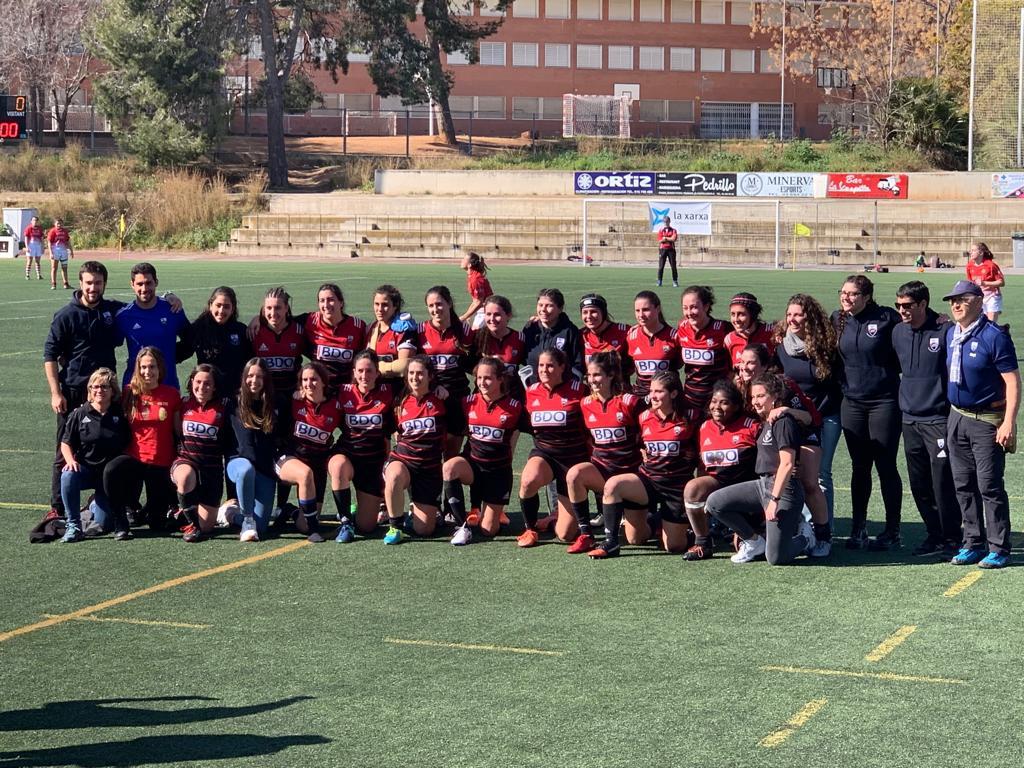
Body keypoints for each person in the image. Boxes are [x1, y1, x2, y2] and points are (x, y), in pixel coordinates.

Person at [943, 280, 1019, 569]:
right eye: (952, 300)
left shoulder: (994, 336)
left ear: (978, 300)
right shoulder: (952, 333)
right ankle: (972, 543)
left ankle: (999, 547)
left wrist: (1008, 422)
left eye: (962, 299)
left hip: (986, 421)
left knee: (988, 484)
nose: (956, 305)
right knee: (962, 484)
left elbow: (1012, 382)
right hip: (956, 416)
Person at [43, 261, 126, 521]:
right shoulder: (66, 315)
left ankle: (116, 500)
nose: (93, 288)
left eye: (98, 283)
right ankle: (58, 507)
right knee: (64, 450)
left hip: (105, 392)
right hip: (74, 392)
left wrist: (169, 297)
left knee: (114, 445)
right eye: (89, 283)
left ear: (104, 284)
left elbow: (142, 302)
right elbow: (50, 356)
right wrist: (56, 393)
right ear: (80, 283)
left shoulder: (112, 310)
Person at [706, 373, 816, 565]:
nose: (755, 401)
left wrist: (774, 500)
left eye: (760, 396)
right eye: (753, 397)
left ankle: (806, 537)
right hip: (763, 485)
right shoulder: (766, 420)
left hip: (784, 492)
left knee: (775, 558)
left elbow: (787, 463)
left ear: (775, 397)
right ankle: (753, 542)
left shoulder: (783, 422)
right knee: (715, 502)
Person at [734, 344, 830, 556]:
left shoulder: (783, 384)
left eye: (751, 362)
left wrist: (787, 410)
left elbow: (810, 418)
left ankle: (822, 535)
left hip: (803, 435)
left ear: (764, 365)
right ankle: (754, 530)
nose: (745, 367)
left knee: (809, 481)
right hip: (768, 440)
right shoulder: (740, 385)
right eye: (742, 362)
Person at [595, 371, 700, 558]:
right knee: (614, 490)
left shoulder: (692, 416)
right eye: (651, 391)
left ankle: (679, 525)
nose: (652, 396)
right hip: (649, 479)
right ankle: (611, 543)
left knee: (673, 546)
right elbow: (638, 443)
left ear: (674, 393)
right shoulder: (643, 417)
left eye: (659, 392)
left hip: (676, 486)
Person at [832, 275, 903, 550]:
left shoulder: (886, 317)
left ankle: (892, 530)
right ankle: (858, 528)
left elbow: (914, 325)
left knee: (886, 466)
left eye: (852, 294)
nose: (846, 298)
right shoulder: (837, 319)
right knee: (859, 467)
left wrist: (939, 319)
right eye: (843, 292)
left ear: (866, 297)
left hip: (884, 402)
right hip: (852, 403)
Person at [892, 281, 960, 557]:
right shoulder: (897, 332)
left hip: (937, 419)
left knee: (943, 482)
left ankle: (953, 537)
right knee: (919, 482)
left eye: (907, 306)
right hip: (909, 420)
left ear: (923, 304)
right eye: (898, 305)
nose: (902, 311)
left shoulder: (944, 330)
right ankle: (934, 534)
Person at [564, 351, 643, 555]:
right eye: (589, 376)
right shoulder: (585, 404)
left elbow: (646, 436)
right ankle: (588, 535)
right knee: (574, 474)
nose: (592, 380)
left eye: (597, 375)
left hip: (630, 475)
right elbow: (587, 437)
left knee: (636, 538)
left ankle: (655, 518)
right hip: (602, 471)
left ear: (610, 376)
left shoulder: (630, 402)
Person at [774, 293, 842, 524]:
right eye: (789, 314)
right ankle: (803, 524)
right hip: (796, 419)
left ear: (809, 318)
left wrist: (818, 415)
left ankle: (824, 526)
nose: (792, 319)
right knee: (800, 473)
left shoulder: (826, 347)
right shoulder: (781, 347)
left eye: (798, 315)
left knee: (821, 474)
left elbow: (836, 384)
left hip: (827, 417)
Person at [442, 357, 525, 544]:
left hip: (498, 472)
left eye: (488, 378)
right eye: (479, 378)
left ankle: (495, 513)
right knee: (449, 467)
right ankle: (461, 526)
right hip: (472, 465)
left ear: (500, 379)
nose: (482, 382)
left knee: (488, 530)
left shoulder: (515, 407)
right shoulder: (468, 402)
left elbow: (536, 429)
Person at [517, 347, 589, 548]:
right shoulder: (531, 391)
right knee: (528, 481)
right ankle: (530, 528)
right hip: (545, 455)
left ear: (562, 367)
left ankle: (552, 520)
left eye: (550, 365)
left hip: (572, 459)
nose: (544, 370)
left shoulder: (579, 390)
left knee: (566, 535)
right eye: (541, 365)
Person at [104, 347, 182, 533]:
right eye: (143, 367)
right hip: (135, 459)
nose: (148, 372)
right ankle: (119, 519)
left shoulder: (171, 394)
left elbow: (178, 431)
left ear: (160, 369)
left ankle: (149, 510)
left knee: (156, 525)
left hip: (161, 462)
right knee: (111, 470)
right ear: (137, 368)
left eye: (152, 367)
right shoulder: (128, 393)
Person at [681, 379, 759, 561]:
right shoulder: (704, 427)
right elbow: (702, 467)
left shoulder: (752, 426)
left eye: (724, 402)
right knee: (693, 488)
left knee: (751, 545)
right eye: (714, 402)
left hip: (747, 487)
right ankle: (702, 542)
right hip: (718, 484)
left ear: (736, 406)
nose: (717, 407)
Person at [328, 350, 395, 543]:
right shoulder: (342, 391)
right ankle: (345, 521)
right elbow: (316, 391)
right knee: (338, 465)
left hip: (372, 462)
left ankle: (358, 507)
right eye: (360, 371)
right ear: (354, 372)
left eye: (369, 371)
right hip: (347, 454)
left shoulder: (388, 392)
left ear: (377, 373)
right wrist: (300, 391)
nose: (364, 375)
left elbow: (416, 382)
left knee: (367, 527)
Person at [58, 368, 131, 542]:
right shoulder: (79, 414)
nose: (100, 391)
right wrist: (70, 460)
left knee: (104, 524)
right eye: (95, 387)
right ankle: (73, 525)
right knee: (68, 474)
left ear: (112, 390)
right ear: (90, 390)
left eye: (105, 387)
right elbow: (65, 442)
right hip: (86, 471)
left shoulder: (120, 414)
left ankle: (93, 503)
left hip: (109, 478)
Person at [382, 355, 447, 544]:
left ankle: (416, 507)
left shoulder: (441, 399)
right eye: (411, 373)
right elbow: (392, 428)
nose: (415, 378)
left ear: (430, 376)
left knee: (425, 530)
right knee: (394, 475)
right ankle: (395, 526)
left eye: (420, 373)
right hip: (404, 460)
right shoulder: (399, 400)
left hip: (429, 467)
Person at [275, 361, 341, 543]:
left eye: (314, 379)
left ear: (323, 382)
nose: (308, 384)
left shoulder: (336, 406)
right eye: (304, 380)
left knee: (302, 524)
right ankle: (314, 532)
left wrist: (334, 451)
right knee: (304, 474)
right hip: (289, 458)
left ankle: (290, 510)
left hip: (317, 464)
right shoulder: (293, 400)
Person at [170, 364, 235, 543]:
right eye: (198, 382)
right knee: (184, 477)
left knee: (207, 526)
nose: (202, 387)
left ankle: (181, 512)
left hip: (211, 468)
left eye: (207, 383)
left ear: (214, 386)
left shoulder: (224, 407)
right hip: (186, 460)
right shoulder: (182, 404)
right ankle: (192, 526)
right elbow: (176, 433)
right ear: (191, 382)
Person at [418, 285, 473, 459]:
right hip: (430, 397)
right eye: (431, 306)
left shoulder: (464, 331)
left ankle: (449, 486)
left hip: (456, 398)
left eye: (439, 304)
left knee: (451, 457)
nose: (435, 309)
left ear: (449, 303)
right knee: (428, 454)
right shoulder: (420, 331)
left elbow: (477, 363)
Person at [116, 262, 192, 389]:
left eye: (148, 283)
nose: (144, 289)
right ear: (132, 285)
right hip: (135, 386)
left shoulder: (172, 309)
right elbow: (111, 344)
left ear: (156, 282)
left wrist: (171, 358)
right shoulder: (124, 315)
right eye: (140, 284)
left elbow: (190, 340)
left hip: (168, 385)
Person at [228, 358, 280, 542]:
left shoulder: (274, 403)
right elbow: (244, 446)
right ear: (244, 377)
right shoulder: (233, 402)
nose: (254, 381)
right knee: (246, 469)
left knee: (263, 526)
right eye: (250, 376)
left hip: (264, 468)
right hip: (239, 462)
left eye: (259, 376)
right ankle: (247, 521)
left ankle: (231, 515)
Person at [676, 285, 731, 412]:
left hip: (716, 400)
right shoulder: (682, 326)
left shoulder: (723, 329)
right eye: (685, 308)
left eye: (694, 307)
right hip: (689, 398)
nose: (689, 313)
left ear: (706, 307)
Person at [304, 283, 367, 391]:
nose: (326, 305)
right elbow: (283, 320)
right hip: (319, 389)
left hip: (348, 388)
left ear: (341, 302)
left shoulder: (358, 326)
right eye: (322, 300)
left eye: (330, 300)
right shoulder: (310, 321)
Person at [190, 286, 252, 396]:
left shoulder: (241, 330)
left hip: (235, 394)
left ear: (233, 309)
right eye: (218, 305)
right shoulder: (198, 329)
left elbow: (251, 362)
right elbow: (182, 351)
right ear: (210, 305)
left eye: (226, 307)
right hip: (207, 393)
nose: (221, 311)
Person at [251, 287, 306, 400]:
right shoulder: (255, 331)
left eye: (278, 308)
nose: (273, 313)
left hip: (292, 393)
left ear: (286, 308)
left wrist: (301, 386)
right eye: (269, 308)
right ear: (264, 309)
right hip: (263, 394)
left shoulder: (299, 330)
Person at [521, 288, 585, 385]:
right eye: (540, 305)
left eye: (549, 306)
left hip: (561, 391)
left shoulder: (569, 331)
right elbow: (521, 356)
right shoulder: (530, 328)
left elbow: (578, 364)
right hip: (534, 390)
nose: (543, 309)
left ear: (560, 308)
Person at [626, 290, 679, 398]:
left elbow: (679, 364)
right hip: (640, 397)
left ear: (658, 309)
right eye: (637, 310)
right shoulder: (631, 336)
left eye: (645, 310)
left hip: (666, 398)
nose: (641, 315)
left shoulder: (674, 336)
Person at [366, 284, 417, 382]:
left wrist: (375, 368)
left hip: (397, 389)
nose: (379, 309)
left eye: (385, 305)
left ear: (395, 306)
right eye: (376, 304)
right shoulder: (371, 328)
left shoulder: (404, 329)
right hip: (375, 388)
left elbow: (404, 366)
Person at [579, 293, 632, 380]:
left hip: (620, 391)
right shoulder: (580, 335)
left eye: (593, 312)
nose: (588, 316)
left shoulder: (624, 332)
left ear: (603, 312)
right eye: (585, 312)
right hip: (593, 390)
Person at [723, 292, 775, 369]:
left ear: (753, 314)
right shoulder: (729, 339)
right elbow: (728, 371)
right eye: (733, 314)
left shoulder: (771, 332)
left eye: (741, 314)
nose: (736, 319)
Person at [965, 242, 1005, 323]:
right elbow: (970, 282)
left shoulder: (991, 265)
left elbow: (1001, 282)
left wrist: (984, 283)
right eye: (970, 250)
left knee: (991, 323)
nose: (970, 252)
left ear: (981, 252)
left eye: (973, 250)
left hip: (992, 296)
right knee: (979, 322)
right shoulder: (969, 266)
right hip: (979, 297)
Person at [458, 252, 493, 329]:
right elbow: (475, 301)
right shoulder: (472, 277)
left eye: (464, 259)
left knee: (475, 335)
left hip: (486, 311)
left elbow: (479, 302)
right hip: (483, 311)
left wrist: (463, 317)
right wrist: (468, 315)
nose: (461, 260)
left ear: (469, 265)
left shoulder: (475, 279)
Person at [46, 217, 74, 290]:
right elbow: (49, 242)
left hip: (64, 251)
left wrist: (71, 251)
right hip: (55, 251)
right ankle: (54, 284)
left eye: (61, 223)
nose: (59, 225)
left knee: (64, 268)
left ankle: (66, 284)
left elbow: (68, 241)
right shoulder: (52, 231)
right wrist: (50, 253)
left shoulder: (65, 231)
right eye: (58, 223)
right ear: (54, 224)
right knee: (54, 268)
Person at [655, 215, 678, 288]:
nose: (666, 223)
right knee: (661, 266)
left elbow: (673, 239)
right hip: (663, 249)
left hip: (671, 249)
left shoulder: (673, 230)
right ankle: (659, 281)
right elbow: (660, 240)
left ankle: (675, 281)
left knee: (673, 266)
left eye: (667, 221)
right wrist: (668, 238)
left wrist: (665, 238)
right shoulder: (661, 230)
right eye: (665, 222)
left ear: (669, 222)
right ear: (663, 222)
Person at [23, 215, 43, 281]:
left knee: (37, 261)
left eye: (36, 220)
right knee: (29, 260)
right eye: (34, 220)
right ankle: (27, 275)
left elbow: (41, 238)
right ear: (31, 221)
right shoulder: (28, 228)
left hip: (38, 245)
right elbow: (26, 238)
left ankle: (39, 275)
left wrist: (42, 246)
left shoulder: (40, 228)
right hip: (31, 245)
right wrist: (27, 247)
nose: (35, 222)